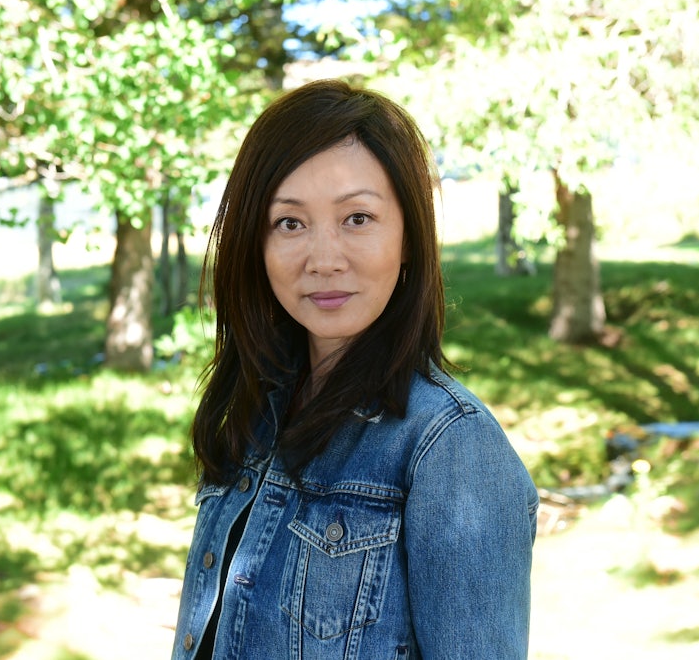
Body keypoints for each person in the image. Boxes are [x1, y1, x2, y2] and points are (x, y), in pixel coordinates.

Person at [171, 78, 539, 660]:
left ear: (409, 239)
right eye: (290, 223)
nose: (323, 259)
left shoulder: (451, 449)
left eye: (358, 218)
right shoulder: (256, 413)